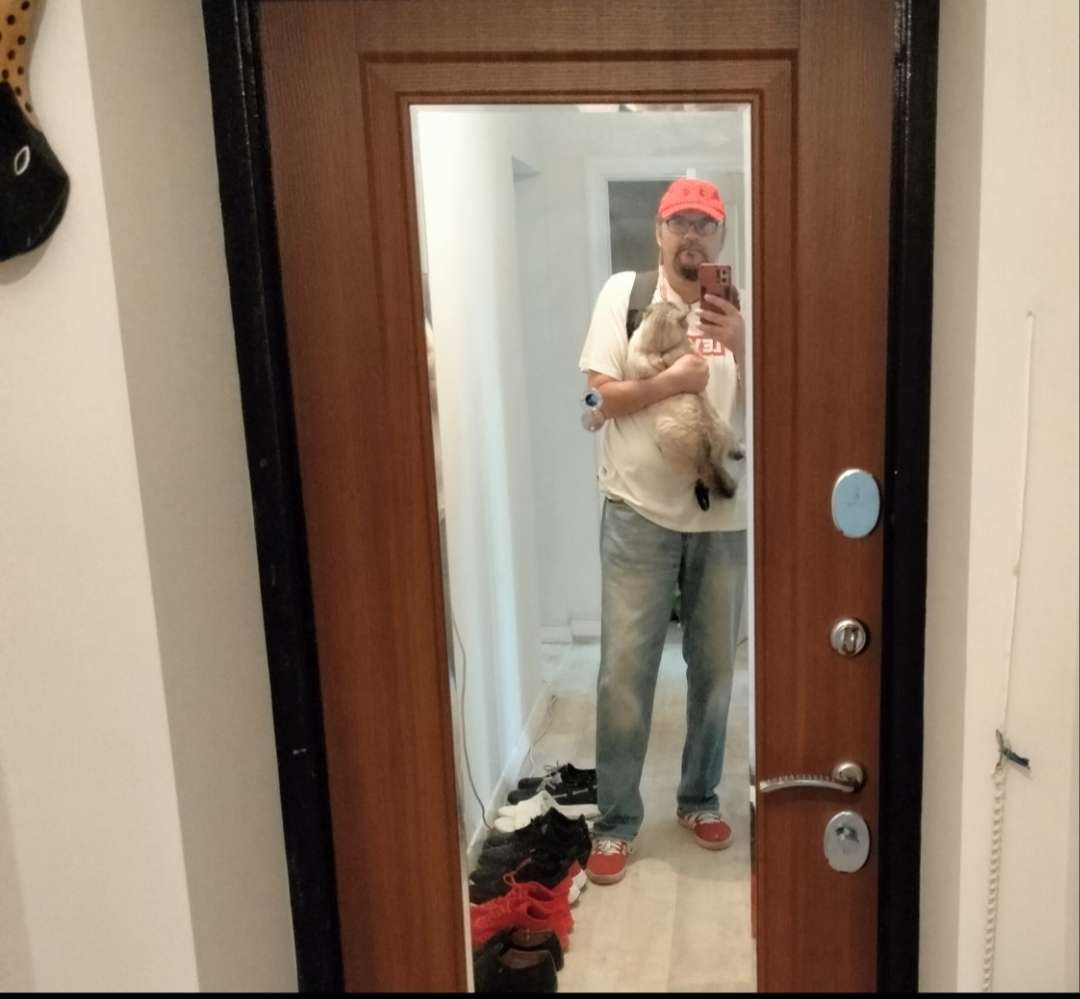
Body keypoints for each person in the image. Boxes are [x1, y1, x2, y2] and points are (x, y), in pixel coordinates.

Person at [577, 177, 747, 885]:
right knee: (624, 672)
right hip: (636, 514)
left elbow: (777, 410)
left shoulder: (738, 310)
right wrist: (673, 382)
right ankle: (616, 820)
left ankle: (699, 797)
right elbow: (594, 397)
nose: (692, 235)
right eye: (680, 221)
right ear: (658, 231)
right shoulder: (624, 295)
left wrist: (746, 344)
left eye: (705, 224)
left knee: (714, 672)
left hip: (722, 520)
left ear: (721, 238)